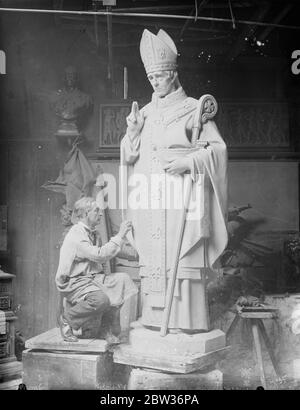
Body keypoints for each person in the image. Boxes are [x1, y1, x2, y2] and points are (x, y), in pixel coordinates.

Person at [120, 29, 228, 333]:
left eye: (161, 76)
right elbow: (129, 157)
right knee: (155, 261)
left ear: (174, 74)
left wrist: (188, 161)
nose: (155, 82)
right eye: (151, 78)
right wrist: (132, 134)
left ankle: (185, 324)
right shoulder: (145, 113)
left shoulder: (193, 109)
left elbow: (217, 151)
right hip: (152, 202)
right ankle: (155, 321)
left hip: (183, 200)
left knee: (183, 260)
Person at [55, 196, 138, 343]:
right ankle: (67, 318)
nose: (100, 214)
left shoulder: (94, 233)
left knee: (122, 281)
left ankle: (104, 330)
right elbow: (99, 255)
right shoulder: (76, 233)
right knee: (101, 300)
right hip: (74, 282)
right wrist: (120, 235)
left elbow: (104, 259)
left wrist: (109, 283)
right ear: (86, 214)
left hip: (92, 279)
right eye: (96, 211)